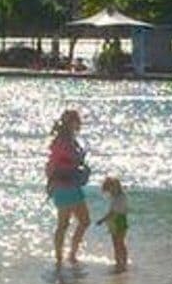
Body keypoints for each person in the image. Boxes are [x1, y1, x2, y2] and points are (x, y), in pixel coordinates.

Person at [45, 108, 91, 267]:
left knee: (85, 221)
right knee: (63, 224)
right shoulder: (61, 141)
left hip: (73, 184)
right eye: (77, 121)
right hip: (62, 185)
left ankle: (72, 254)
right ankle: (59, 258)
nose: (79, 124)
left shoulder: (72, 139)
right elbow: (60, 161)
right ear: (70, 122)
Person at [99, 174, 130, 271]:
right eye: (109, 190)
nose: (110, 192)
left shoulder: (121, 197)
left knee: (120, 242)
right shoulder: (116, 197)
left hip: (119, 220)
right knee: (116, 243)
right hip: (114, 221)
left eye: (111, 189)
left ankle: (123, 262)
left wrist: (103, 220)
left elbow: (113, 212)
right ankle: (118, 261)